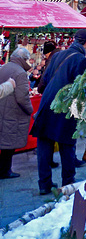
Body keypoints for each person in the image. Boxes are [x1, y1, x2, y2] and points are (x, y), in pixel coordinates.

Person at [31, 29, 86, 195]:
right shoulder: (81, 59)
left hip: (48, 101)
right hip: (65, 105)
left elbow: (46, 77)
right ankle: (68, 182)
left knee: (44, 144)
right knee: (67, 144)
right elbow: (79, 87)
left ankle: (44, 184)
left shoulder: (58, 55)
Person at [0, 48, 34, 178]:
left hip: (3, 109)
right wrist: (30, 110)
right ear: (24, 59)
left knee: (4, 142)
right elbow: (22, 97)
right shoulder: (20, 73)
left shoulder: (5, 67)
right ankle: (4, 171)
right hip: (13, 112)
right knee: (9, 144)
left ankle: (3, 169)